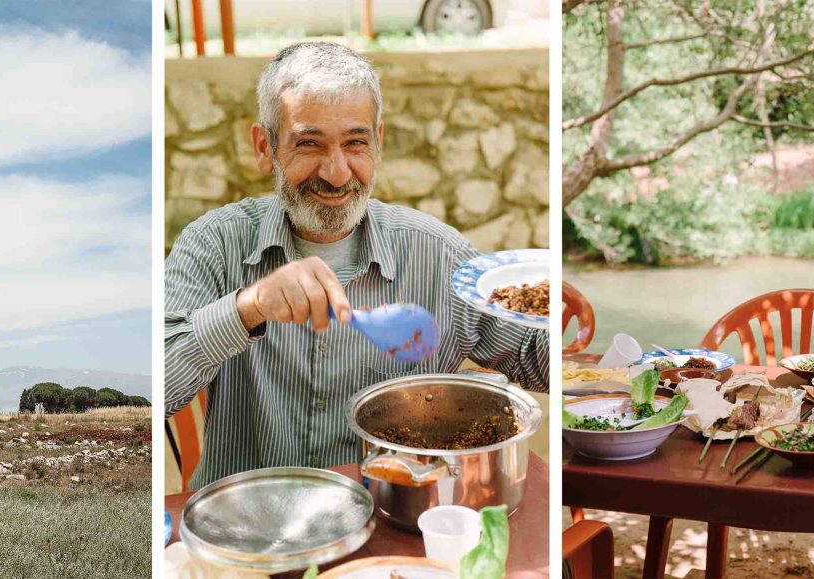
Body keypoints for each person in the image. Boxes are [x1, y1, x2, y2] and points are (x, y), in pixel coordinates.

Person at [165, 41, 548, 489]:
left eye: (355, 143)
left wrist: (551, 305)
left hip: (392, 520)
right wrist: (248, 306)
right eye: (309, 144)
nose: (337, 172)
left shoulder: (438, 254)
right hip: (245, 526)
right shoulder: (213, 243)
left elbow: (534, 362)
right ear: (265, 147)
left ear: (378, 143)